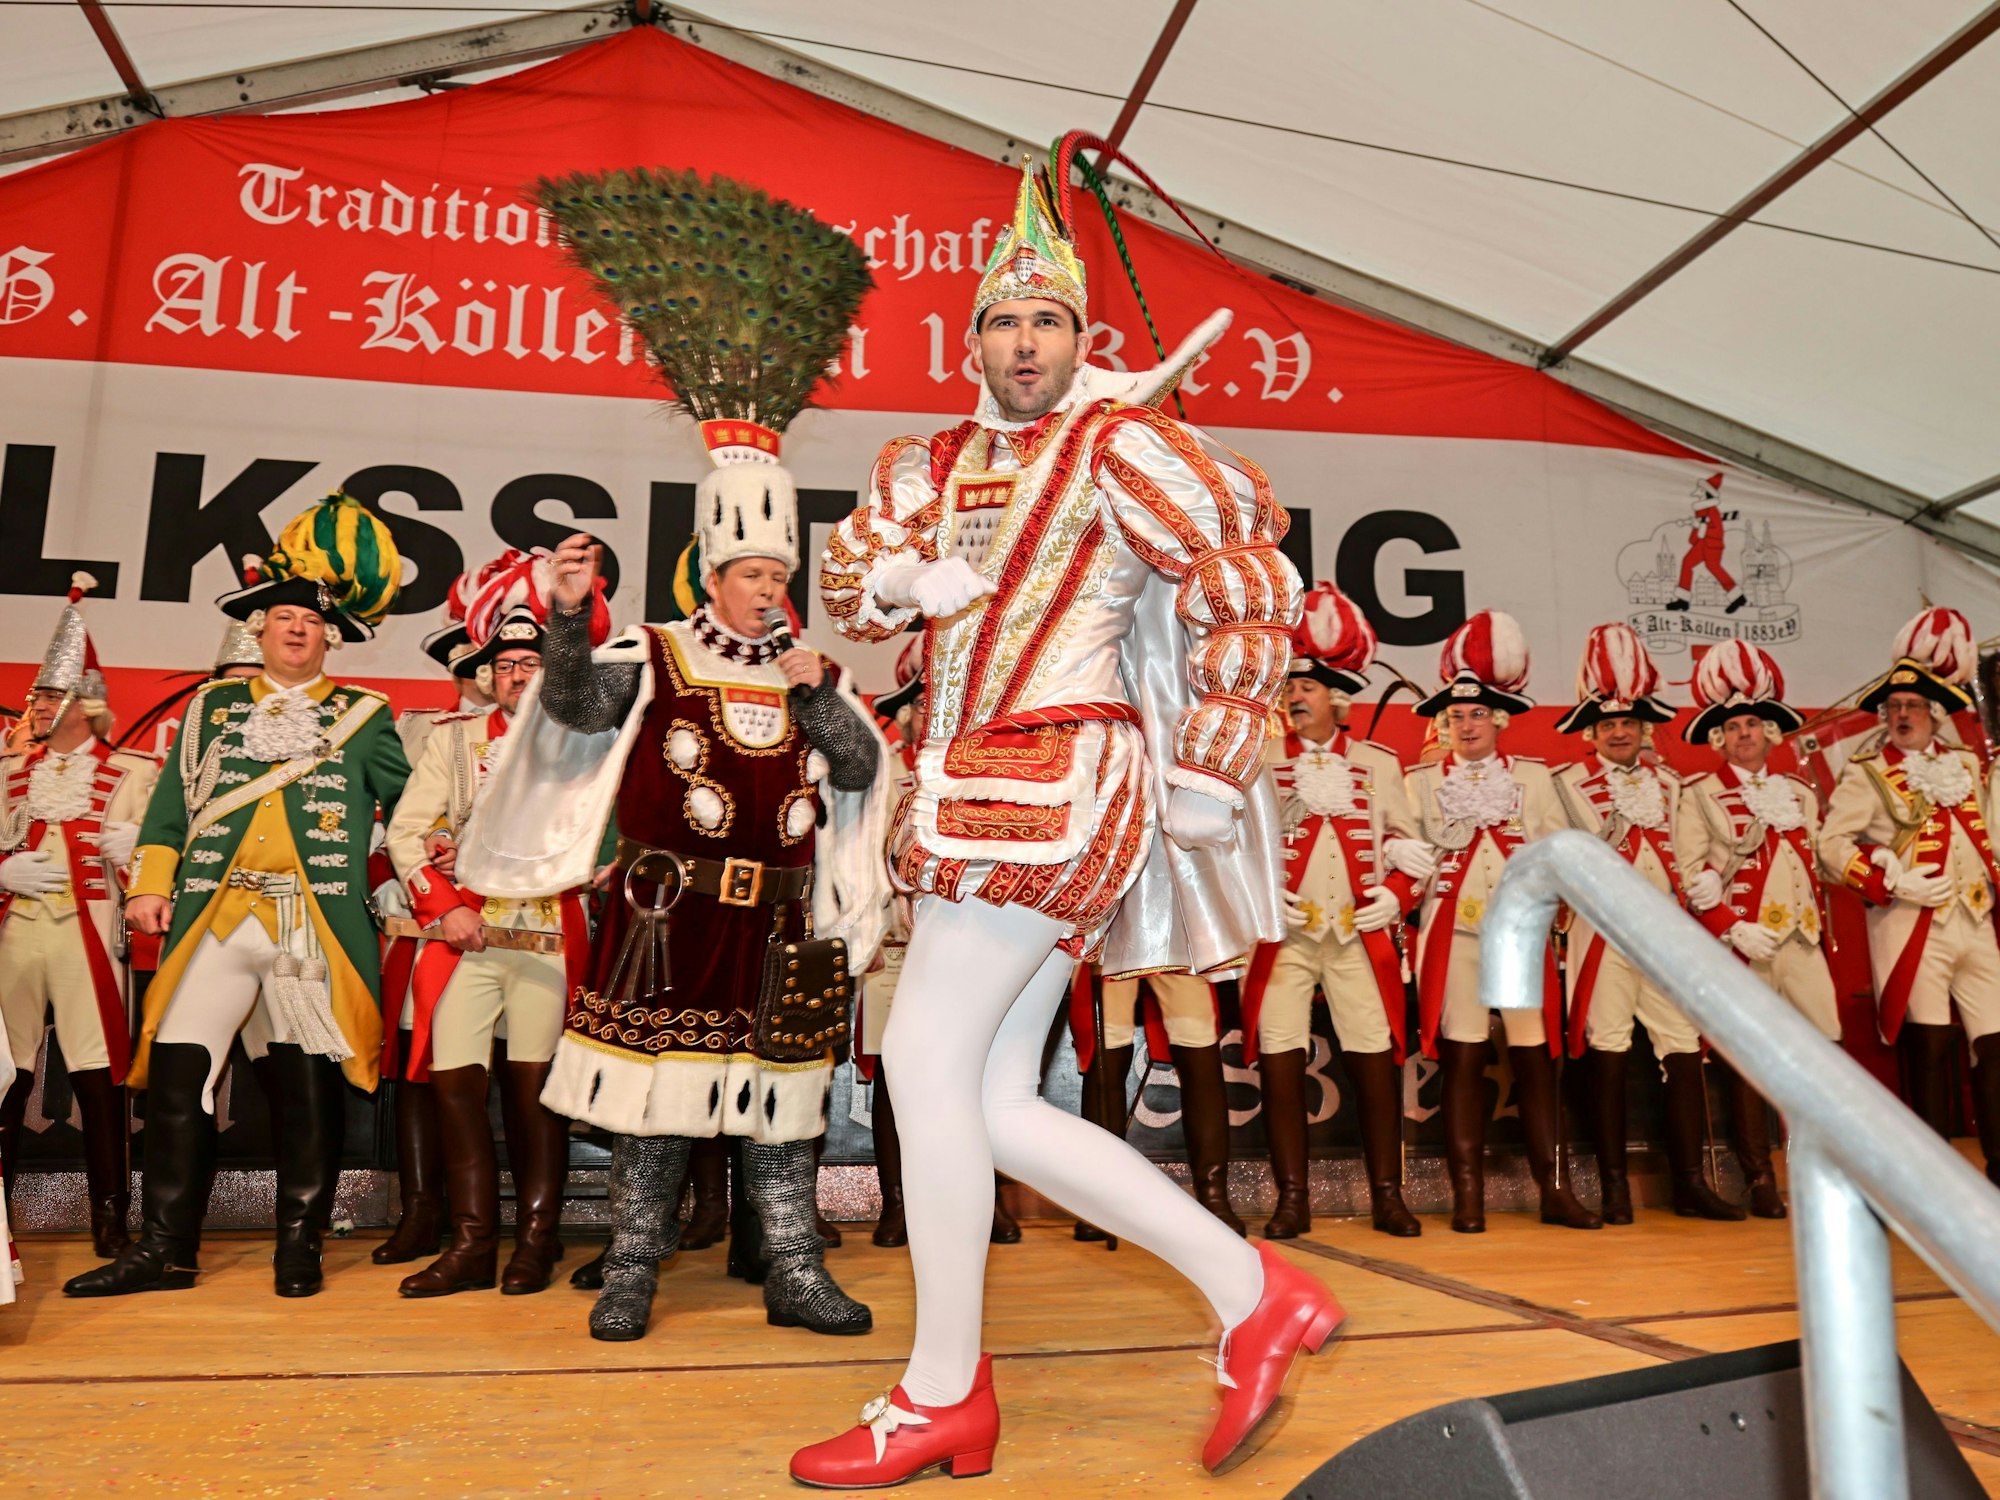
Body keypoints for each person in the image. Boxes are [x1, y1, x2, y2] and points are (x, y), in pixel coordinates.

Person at [800, 147, 1328, 1487]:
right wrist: (907, 574)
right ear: (968, 337)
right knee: (985, 1098)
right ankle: (1247, 1292)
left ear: (1082, 338)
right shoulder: (925, 459)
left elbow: (1241, 568)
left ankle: (941, 1393)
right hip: (968, 787)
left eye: (1047, 321)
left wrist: (1216, 755)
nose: (1024, 341)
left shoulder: (1118, 444)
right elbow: (851, 589)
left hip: (1060, 783)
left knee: (922, 1070)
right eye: (1003, 320)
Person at [63, 493, 411, 1299]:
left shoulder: (365, 716)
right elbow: (170, 810)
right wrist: (153, 885)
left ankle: (301, 1244)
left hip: (306, 924)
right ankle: (166, 1250)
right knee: (181, 1078)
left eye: (311, 621)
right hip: (215, 916)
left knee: (303, 1087)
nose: (296, 628)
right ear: (259, 631)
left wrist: (415, 870)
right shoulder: (211, 707)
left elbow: (411, 809)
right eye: (283, 617)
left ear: (331, 636)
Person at [386, 552, 610, 1296]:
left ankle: (536, 1243)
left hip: (546, 940)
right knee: (453, 1085)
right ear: (488, 674)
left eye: (531, 660)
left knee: (534, 1094)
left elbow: (610, 838)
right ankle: (474, 1244)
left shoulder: (584, 745)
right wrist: (444, 906)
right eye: (507, 663)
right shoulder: (451, 741)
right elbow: (407, 835)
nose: (518, 673)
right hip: (467, 940)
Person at [1238, 582, 1431, 1239]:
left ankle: (1387, 1195)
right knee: (1280, 1057)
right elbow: (1234, 849)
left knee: (1375, 1057)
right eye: (1289, 689)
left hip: (1356, 938)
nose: (1295, 698)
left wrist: (1394, 899)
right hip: (1283, 937)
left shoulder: (1377, 764)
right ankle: (1292, 1198)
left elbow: (1410, 849)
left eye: (1308, 689)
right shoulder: (1260, 764)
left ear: (1336, 698)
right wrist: (1263, 896)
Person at [1405, 611, 1599, 1235]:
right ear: (1445, 723)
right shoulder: (1418, 782)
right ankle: (1468, 1198)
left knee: (1533, 1059)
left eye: (1477, 714)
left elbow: (1567, 853)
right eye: (1456, 716)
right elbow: (1402, 851)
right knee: (1461, 1058)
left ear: (1500, 719)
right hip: (1456, 936)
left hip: (1519, 939)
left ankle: (1555, 1189)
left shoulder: (1536, 780)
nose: (1466, 724)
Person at [1552, 624, 1739, 1224]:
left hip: (1665, 934)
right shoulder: (1565, 787)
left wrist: (1706, 882)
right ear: (1593, 732)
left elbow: (1690, 855)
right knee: (1606, 1051)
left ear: (1643, 729)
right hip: (1600, 935)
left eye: (1627, 724)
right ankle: (1612, 1187)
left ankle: (1689, 1181)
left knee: (1684, 1051)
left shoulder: (1674, 786)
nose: (1618, 732)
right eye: (1608, 725)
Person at [0, 578, 160, 1256]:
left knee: (101, 1077)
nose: (33, 706)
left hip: (90, 931)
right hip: (15, 931)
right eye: (36, 695)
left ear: (77, 705)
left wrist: (141, 855)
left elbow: (161, 856)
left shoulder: (133, 773)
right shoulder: (5, 769)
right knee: (5, 1073)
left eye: (44, 695)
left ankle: (110, 1217)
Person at [1820, 607, 2000, 1182]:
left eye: (1912, 706)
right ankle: (1929, 1171)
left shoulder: (1969, 764)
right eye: (1893, 708)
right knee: (1927, 1046)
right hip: (1911, 925)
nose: (1901, 715)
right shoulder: (1866, 772)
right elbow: (1830, 844)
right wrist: (1888, 879)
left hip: (1974, 919)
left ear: (1935, 714)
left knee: (1994, 1045)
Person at [1676, 641, 1838, 1217]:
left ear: (1770, 732)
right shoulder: (1698, 795)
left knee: (1823, 1055)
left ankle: (1824, 1170)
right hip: (1743, 944)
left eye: (1752, 724)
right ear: (1720, 738)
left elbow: (1822, 857)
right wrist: (1729, 925)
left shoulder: (1799, 794)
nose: (1744, 733)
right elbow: (1691, 873)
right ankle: (1759, 1178)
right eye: (1733, 727)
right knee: (1744, 1062)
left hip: (1803, 941)